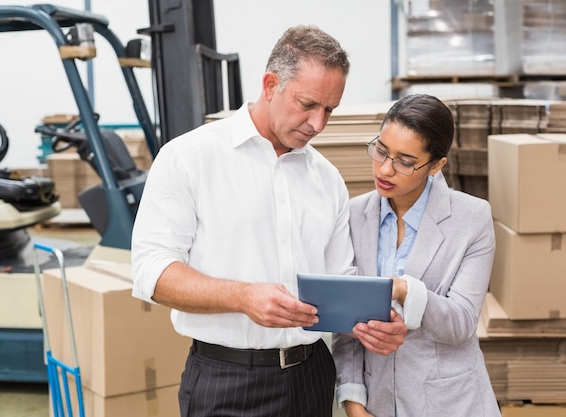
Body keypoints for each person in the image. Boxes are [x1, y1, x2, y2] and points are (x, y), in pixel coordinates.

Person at [131, 25, 406, 417]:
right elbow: (151, 273)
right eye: (308, 104)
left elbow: (341, 279)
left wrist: (376, 322)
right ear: (270, 84)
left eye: (329, 109)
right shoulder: (189, 158)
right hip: (226, 379)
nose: (318, 124)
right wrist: (242, 297)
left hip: (311, 376)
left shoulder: (326, 178)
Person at [332, 94, 501, 417]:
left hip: (451, 403)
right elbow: (347, 327)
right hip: (378, 403)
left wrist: (405, 289)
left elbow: (461, 323)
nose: (385, 168)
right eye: (381, 150)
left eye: (405, 161)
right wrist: (353, 403)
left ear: (436, 165)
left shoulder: (471, 218)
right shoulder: (354, 216)